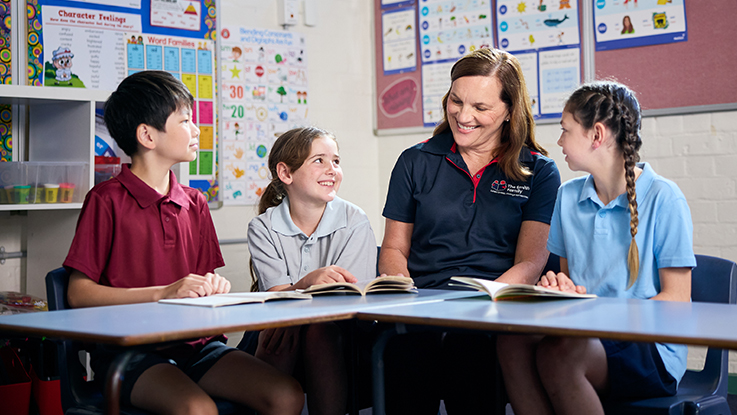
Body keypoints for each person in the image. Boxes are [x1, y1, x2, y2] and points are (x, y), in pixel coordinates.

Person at [63, 71, 304, 415]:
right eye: (186, 120)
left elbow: (204, 284)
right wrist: (164, 292)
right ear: (147, 135)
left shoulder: (195, 202)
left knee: (286, 395)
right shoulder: (106, 200)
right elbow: (78, 293)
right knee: (197, 409)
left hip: (197, 347)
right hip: (130, 354)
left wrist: (215, 287)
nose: (196, 130)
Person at [379, 47, 561, 414]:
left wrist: (480, 305)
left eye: (481, 108)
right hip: (423, 309)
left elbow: (530, 262)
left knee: (473, 354)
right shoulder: (415, 160)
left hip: (491, 312)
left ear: (510, 109)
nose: (463, 116)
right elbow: (394, 249)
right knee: (404, 353)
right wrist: (406, 300)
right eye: (456, 101)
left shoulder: (539, 172)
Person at [497, 81, 695, 415]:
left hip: (649, 348)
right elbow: (571, 284)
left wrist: (599, 314)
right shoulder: (568, 196)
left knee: (558, 356)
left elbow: (676, 300)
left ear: (596, 134)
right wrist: (558, 289)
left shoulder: (664, 197)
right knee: (511, 342)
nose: (559, 141)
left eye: (565, 130)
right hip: (584, 335)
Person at [242, 126, 377, 415]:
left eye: (336, 161)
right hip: (283, 322)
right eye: (319, 160)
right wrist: (308, 283)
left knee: (316, 330)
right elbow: (277, 297)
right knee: (280, 328)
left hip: (345, 329)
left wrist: (298, 293)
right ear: (286, 173)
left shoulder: (355, 220)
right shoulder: (262, 227)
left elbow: (352, 298)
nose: (332, 169)